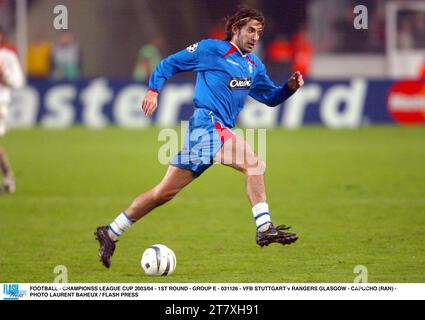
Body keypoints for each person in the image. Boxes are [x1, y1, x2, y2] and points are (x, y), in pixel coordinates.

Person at [95, 6, 304, 268]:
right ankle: (264, 227)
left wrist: (289, 88)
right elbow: (167, 65)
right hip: (206, 125)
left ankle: (111, 231)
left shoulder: (254, 65)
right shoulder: (210, 50)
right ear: (236, 28)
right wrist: (152, 91)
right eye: (250, 30)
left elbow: (270, 98)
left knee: (163, 193)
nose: (255, 36)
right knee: (254, 162)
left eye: (259, 32)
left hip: (216, 130)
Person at [0, 26, 25, 193]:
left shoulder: (8, 57)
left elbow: (18, 81)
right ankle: (8, 177)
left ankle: (8, 177)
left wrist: (4, 76)